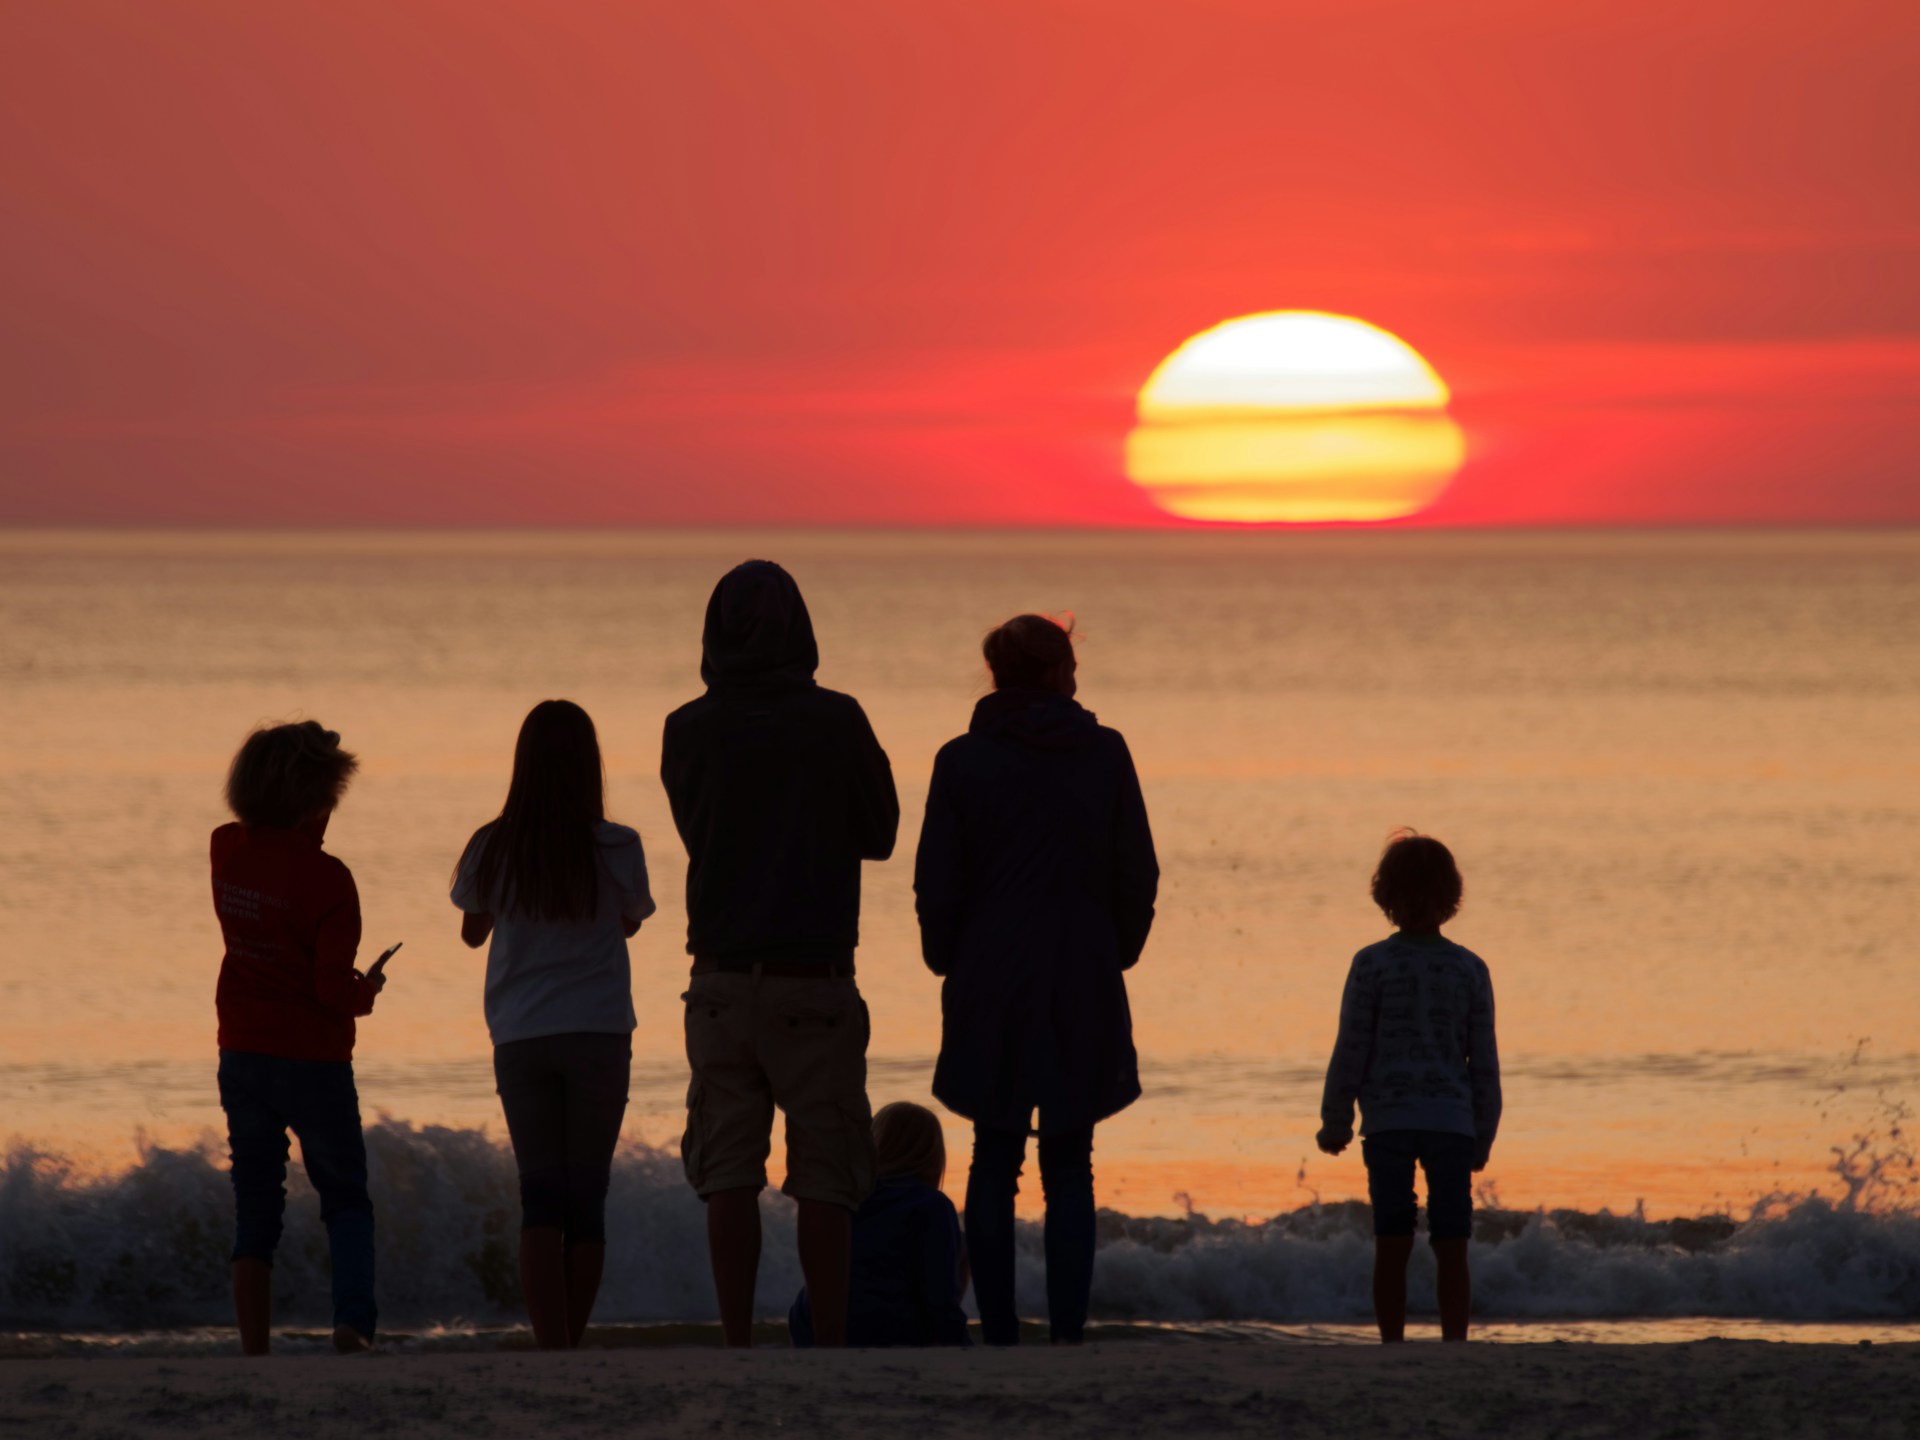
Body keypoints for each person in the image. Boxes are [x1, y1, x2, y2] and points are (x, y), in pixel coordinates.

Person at [662, 560, 899, 1348]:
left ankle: (736, 1339)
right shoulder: (837, 720)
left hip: (720, 975)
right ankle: (826, 1340)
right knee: (826, 1174)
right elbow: (882, 833)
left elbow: (698, 833)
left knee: (727, 1169)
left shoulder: (686, 728)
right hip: (813, 976)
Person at [915, 613, 1158, 1345]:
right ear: (1057, 672)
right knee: (1069, 1161)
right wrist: (1115, 950)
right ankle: (1068, 1333)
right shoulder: (1105, 753)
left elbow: (937, 883)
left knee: (995, 1153)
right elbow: (1137, 872)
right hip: (1079, 971)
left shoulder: (961, 760)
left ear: (996, 676)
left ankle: (997, 1331)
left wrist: (945, 956)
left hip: (990, 974)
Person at [452, 699, 655, 1349]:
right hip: (597, 1031)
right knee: (585, 1197)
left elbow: (471, 932)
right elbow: (630, 920)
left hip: (520, 1033)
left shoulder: (493, 845)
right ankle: (570, 1341)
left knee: (539, 1195)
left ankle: (548, 1344)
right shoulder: (617, 845)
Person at [211, 720, 389, 1355]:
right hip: (314, 1058)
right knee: (344, 1196)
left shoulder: (225, 850)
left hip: (242, 1051)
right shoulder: (330, 880)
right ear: (316, 800)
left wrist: (304, 747)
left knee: (255, 1202)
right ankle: (352, 1324)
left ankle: (254, 1345)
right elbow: (329, 991)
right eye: (328, 800)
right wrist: (366, 990)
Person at [1316, 830, 1502, 1343]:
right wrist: (1483, 1133)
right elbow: (1483, 1062)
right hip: (1451, 1123)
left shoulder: (1371, 963)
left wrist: (1336, 1121)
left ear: (1386, 895)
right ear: (1452, 897)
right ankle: (1454, 1343)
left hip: (1389, 1121)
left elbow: (1352, 1048)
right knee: (1452, 1241)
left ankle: (1393, 1344)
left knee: (1392, 1239)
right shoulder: (1469, 968)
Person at [789, 1101, 971, 1349]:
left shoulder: (846, 1196)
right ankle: (937, 1339)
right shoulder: (931, 1205)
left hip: (811, 1322)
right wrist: (959, 1339)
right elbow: (939, 1292)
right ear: (933, 1153)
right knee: (961, 1246)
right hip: (887, 1327)